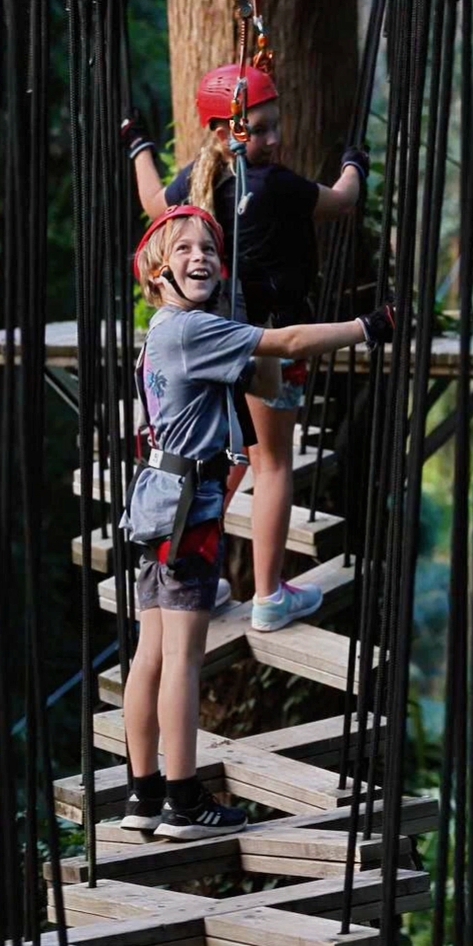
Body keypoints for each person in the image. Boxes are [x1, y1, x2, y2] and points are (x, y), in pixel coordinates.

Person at [116, 205, 393, 839]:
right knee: (182, 657)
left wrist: (259, 338)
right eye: (184, 250)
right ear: (158, 274)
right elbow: (289, 346)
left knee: (151, 654)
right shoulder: (191, 330)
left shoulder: (165, 332)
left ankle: (143, 795)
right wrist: (368, 326)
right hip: (190, 514)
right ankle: (184, 803)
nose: (202, 257)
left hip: (160, 505)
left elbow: (265, 375)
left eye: (210, 249)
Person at [122, 64, 368, 633]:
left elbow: (154, 203)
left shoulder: (198, 179)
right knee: (272, 462)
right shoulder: (277, 185)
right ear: (224, 130)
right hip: (266, 341)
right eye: (261, 130)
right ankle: (269, 594)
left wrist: (138, 146)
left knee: (229, 458)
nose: (274, 140)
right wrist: (355, 161)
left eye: (274, 126)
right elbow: (341, 202)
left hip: (213, 346)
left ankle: (192, 567)